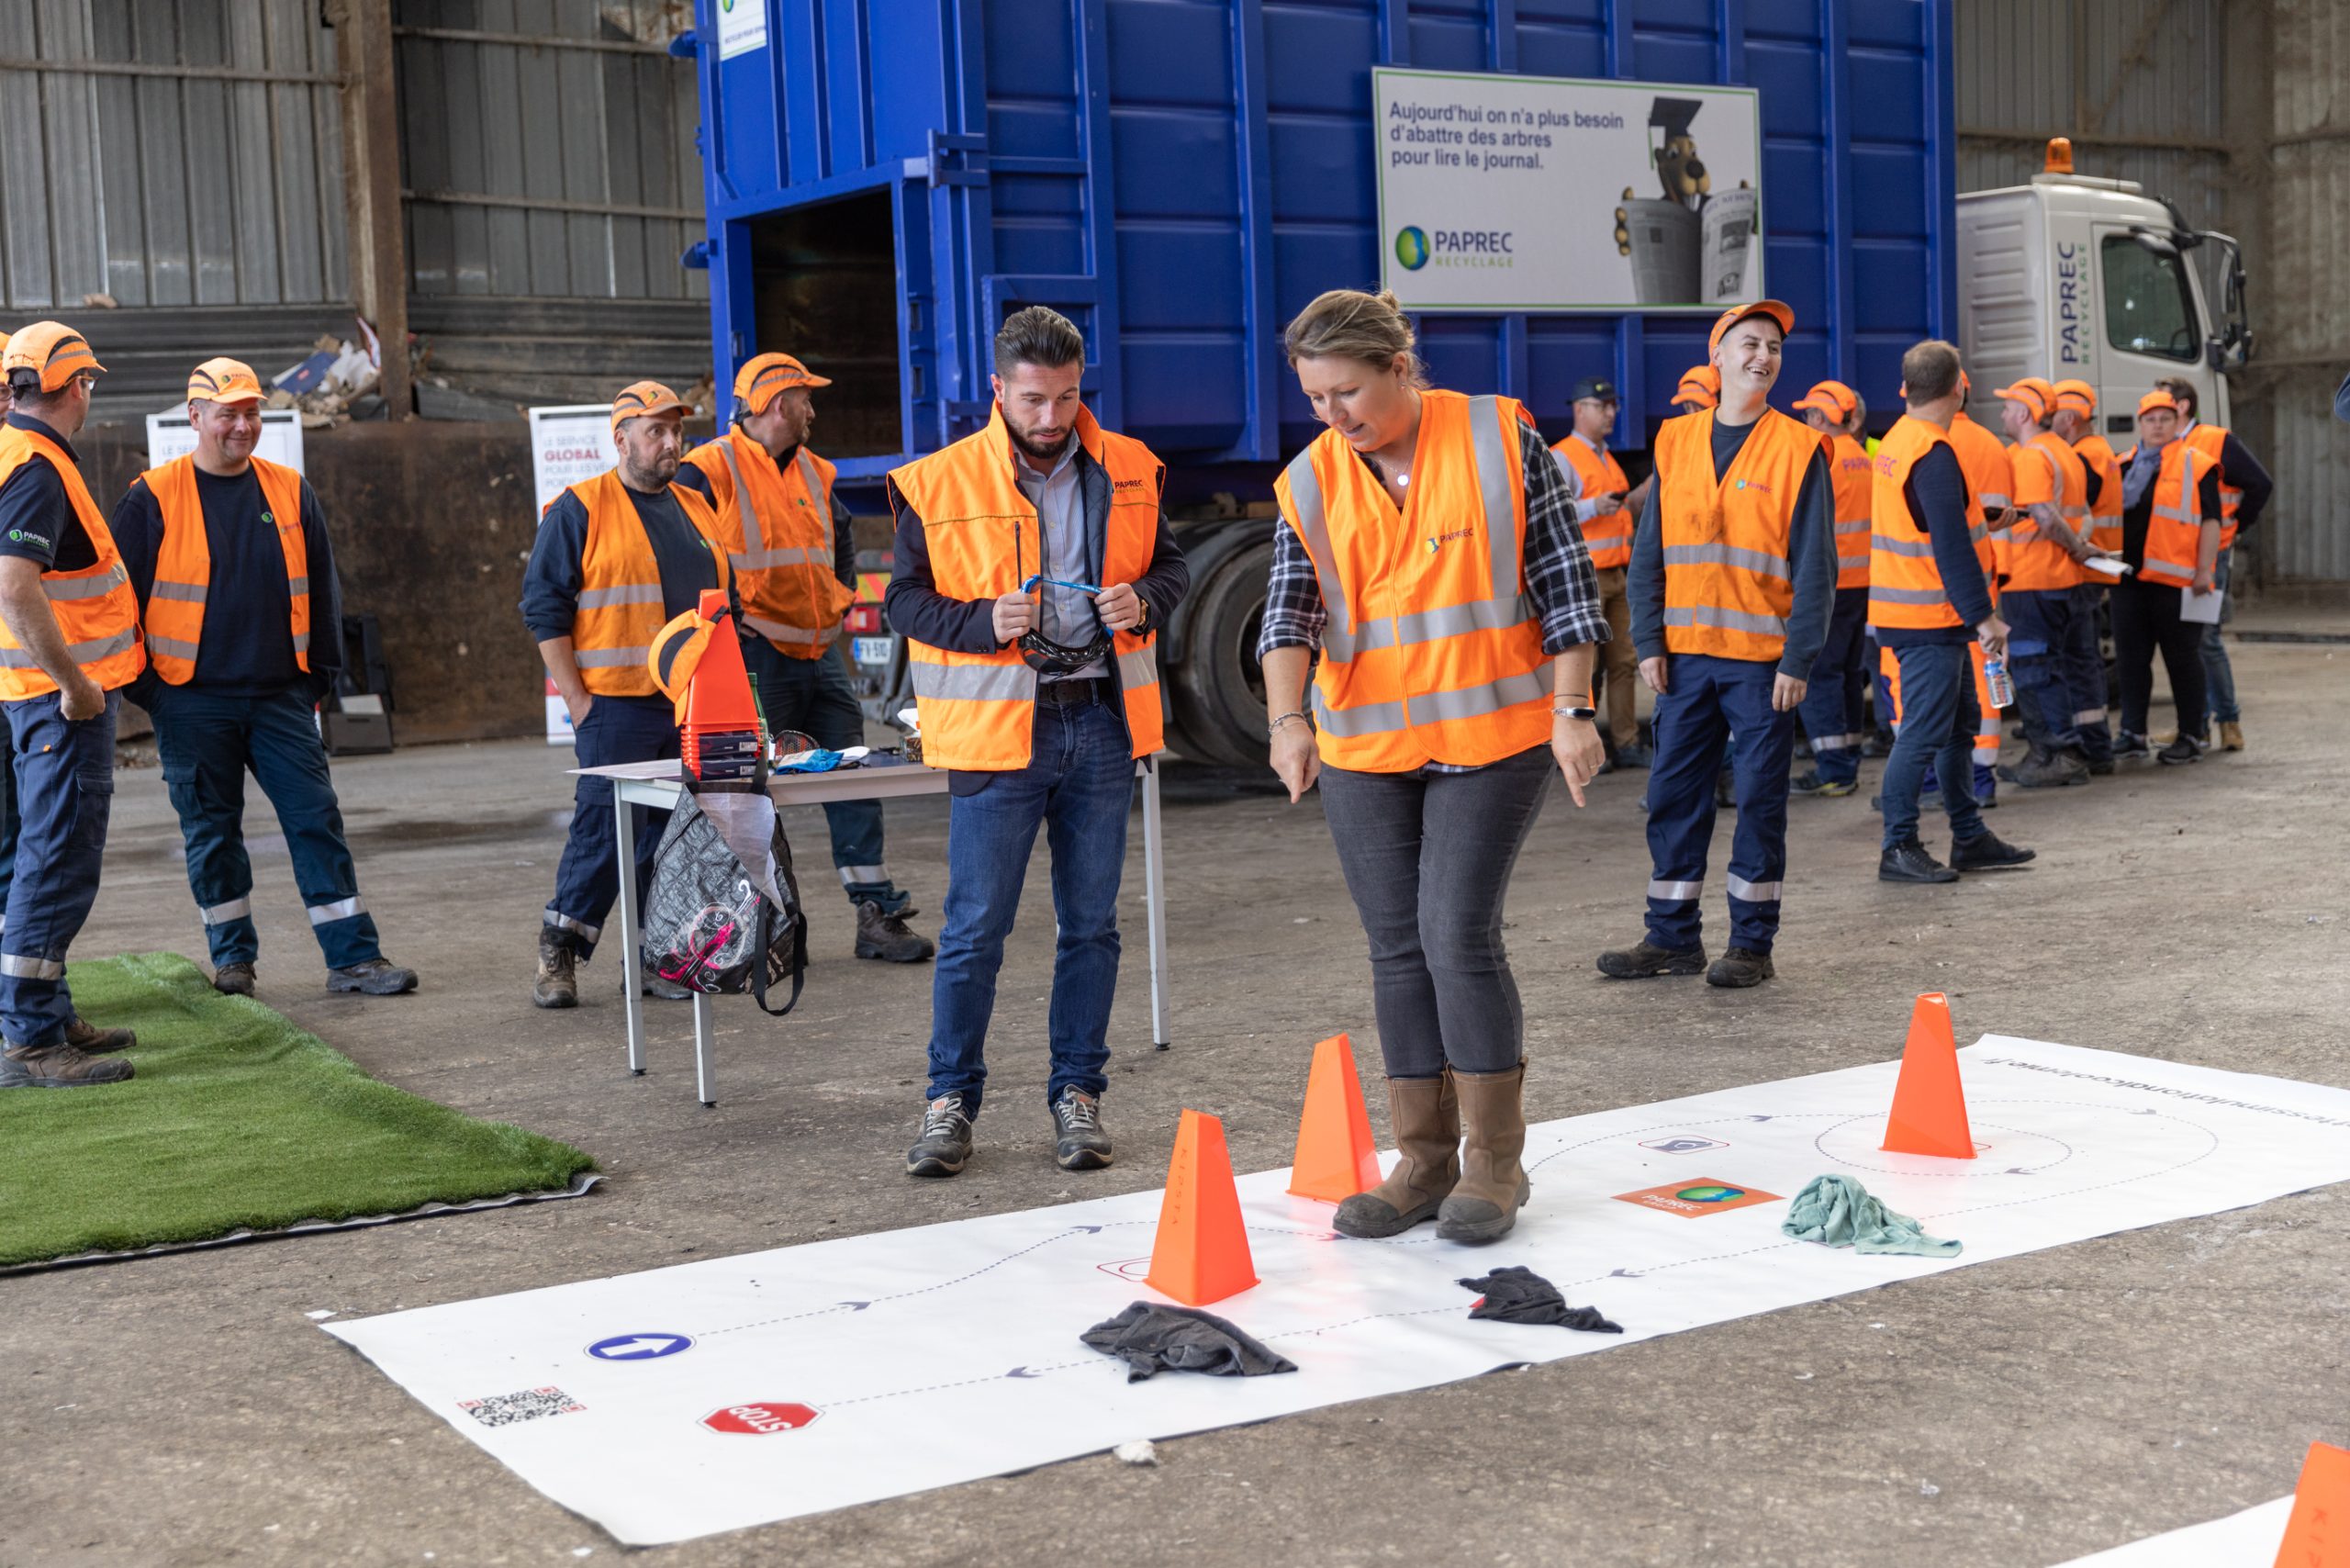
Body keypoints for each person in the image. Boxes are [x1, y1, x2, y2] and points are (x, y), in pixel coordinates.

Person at [1260, 288, 1607, 1246]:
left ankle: (1496, 1161)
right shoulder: (1311, 480)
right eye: (1314, 399)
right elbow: (1286, 616)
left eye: (1347, 394)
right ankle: (1423, 1159)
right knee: (1395, 947)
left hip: (1493, 738)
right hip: (1366, 746)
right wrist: (1288, 722)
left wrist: (1573, 708)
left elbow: (1566, 586)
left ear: (1398, 369)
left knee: (1455, 932)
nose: (1333, 418)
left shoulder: (1499, 440)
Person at [884, 307, 1189, 1180]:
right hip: (995, 735)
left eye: (1065, 397)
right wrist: (983, 621)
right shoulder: (936, 483)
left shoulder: (1131, 468)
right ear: (998, 390)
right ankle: (949, 1105)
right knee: (975, 929)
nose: (1050, 418)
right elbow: (901, 601)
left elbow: (1173, 568)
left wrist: (1147, 600)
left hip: (1099, 722)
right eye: (1032, 400)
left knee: (1090, 927)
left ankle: (1078, 1098)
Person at [111, 359, 417, 999]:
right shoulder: (153, 495)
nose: (242, 426)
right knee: (212, 832)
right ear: (195, 418)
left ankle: (354, 959)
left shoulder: (289, 489)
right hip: (191, 700)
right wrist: (151, 694)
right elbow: (119, 606)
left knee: (315, 819)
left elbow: (324, 589)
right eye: (228, 414)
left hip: (281, 696)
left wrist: (318, 680)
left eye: (251, 413)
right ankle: (233, 960)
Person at [1596, 301, 1836, 990]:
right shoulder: (1675, 441)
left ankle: (1751, 946)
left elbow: (1816, 565)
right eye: (1750, 344)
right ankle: (1670, 938)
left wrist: (1799, 658)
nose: (1763, 357)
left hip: (1762, 665)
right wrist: (1647, 640)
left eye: (1774, 349)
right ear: (1719, 357)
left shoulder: (1798, 448)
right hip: (1687, 659)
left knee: (1759, 800)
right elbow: (1650, 556)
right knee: (1674, 795)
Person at [677, 353, 934, 963]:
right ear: (772, 404)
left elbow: (838, 539)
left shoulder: (816, 471)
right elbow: (685, 554)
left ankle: (876, 916)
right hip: (754, 655)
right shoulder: (706, 469)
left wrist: (842, 599)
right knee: (754, 794)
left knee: (852, 778)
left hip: (820, 652)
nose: (813, 410)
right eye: (804, 399)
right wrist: (725, 634)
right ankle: (774, 925)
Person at [521, 381, 733, 1008]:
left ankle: (658, 957)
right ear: (621, 440)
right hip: (615, 706)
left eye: (676, 431)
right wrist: (580, 703)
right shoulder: (579, 509)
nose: (671, 443)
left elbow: (727, 609)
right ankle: (558, 950)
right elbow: (543, 610)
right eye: (655, 432)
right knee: (603, 834)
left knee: (674, 838)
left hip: (691, 707)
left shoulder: (697, 506)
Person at [0, 322, 146, 1088]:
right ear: (77, 386)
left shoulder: (19, 452)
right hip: (57, 704)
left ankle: (44, 1014)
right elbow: (16, 586)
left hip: (24, 695)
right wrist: (75, 683)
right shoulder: (35, 467)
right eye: (89, 383)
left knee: (31, 858)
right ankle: (29, 1040)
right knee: (55, 861)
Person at [1870, 342, 2033, 883]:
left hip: (1921, 612)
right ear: (1960, 386)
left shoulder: (1898, 440)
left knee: (1959, 725)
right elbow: (1949, 548)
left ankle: (1968, 836)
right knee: (1922, 732)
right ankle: (1898, 846)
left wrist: (1980, 516)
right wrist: (1984, 617)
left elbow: (1927, 521)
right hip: (1930, 617)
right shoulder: (1933, 454)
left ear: (1906, 388)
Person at [1992, 378, 2104, 788]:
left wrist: (2073, 546)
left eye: (2007, 408)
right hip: (2062, 580)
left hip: (2033, 578)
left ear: (2023, 414)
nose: (2003, 414)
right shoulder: (2065, 451)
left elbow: (2042, 513)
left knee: (2035, 668)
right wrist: (2080, 546)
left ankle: (2058, 753)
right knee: (2056, 666)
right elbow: (2086, 512)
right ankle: (2052, 751)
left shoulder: (2030, 455)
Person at [2152, 376, 2272, 752]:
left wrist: (2236, 526)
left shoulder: (2216, 441)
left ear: (2183, 406)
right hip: (2176, 558)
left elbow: (2260, 484)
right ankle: (2194, 726)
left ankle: (2228, 721)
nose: (2154, 414)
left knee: (2205, 639)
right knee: (2186, 643)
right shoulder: (2164, 447)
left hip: (2210, 555)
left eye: (2163, 406)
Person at [2110, 390, 2221, 765]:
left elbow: (2210, 520)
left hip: (2177, 582)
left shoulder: (2197, 463)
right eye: (2150, 419)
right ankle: (2133, 733)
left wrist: (2205, 569)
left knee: (2182, 659)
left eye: (2165, 419)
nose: (2157, 426)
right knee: (2131, 660)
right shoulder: (2122, 465)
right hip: (2129, 581)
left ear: (2177, 422)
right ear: (2140, 424)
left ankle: (2192, 734)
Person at [1550, 375, 1651, 767]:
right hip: (1584, 579)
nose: (1611, 412)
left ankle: (1627, 744)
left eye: (1613, 405)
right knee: (1585, 668)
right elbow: (1552, 515)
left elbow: (1621, 510)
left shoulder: (1606, 457)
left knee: (1624, 662)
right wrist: (1594, 507)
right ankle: (1586, 744)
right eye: (1602, 406)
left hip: (1614, 575)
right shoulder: (1563, 456)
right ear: (1580, 410)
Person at [1789, 379, 1873, 797]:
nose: (1806, 420)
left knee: (1820, 674)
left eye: (1809, 414)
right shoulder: (1863, 457)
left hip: (1831, 584)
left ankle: (1835, 769)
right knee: (1849, 673)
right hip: (1865, 584)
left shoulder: (1825, 458)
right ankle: (1848, 756)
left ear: (1821, 417)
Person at [2051, 378, 2122, 766]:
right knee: (2084, 659)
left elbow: (2076, 508)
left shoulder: (2085, 455)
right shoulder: (2095, 450)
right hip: (2094, 565)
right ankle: (2095, 743)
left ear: (2070, 418)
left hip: (2086, 566)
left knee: (2078, 660)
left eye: (2055, 414)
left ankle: (2092, 746)